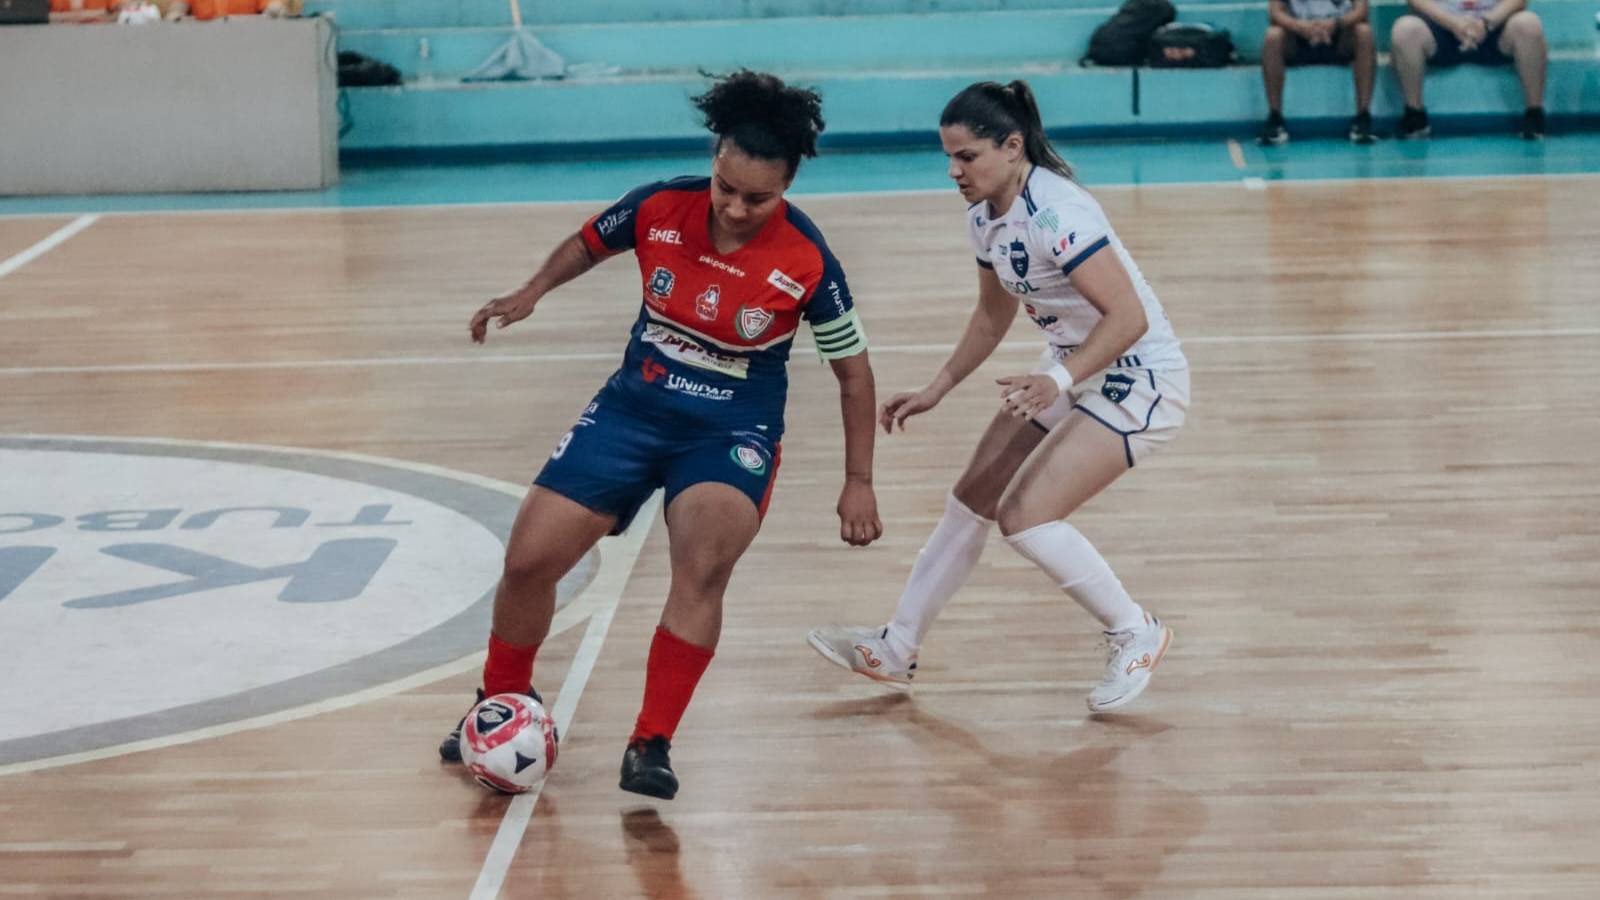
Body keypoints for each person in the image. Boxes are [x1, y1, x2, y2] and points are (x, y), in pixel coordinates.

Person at [438, 70, 883, 800]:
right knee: (527, 560)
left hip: (731, 430)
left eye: (758, 198)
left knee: (702, 569)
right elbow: (588, 243)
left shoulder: (808, 261)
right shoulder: (660, 205)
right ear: (714, 160)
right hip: (630, 411)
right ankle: (500, 704)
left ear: (790, 184)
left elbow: (854, 373)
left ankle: (651, 742)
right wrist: (530, 292)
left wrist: (858, 479)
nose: (736, 208)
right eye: (725, 187)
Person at [808, 80, 1189, 714]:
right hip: (1072, 367)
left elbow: (1128, 319)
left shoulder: (1057, 214)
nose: (954, 171)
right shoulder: (985, 216)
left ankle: (1135, 631)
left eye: (967, 157)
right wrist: (938, 388)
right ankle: (897, 648)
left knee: (1025, 517)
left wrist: (1058, 381)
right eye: (948, 157)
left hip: (1137, 377)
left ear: (1013, 147)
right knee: (971, 497)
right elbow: (992, 317)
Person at [1389, 0, 1547, 139]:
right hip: (1441, 29)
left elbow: (1518, 1)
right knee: (1405, 29)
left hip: (1493, 28)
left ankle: (1534, 113)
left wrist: (1485, 23)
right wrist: (1454, 24)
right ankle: (1415, 115)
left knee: (1529, 24)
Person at [1257, 0, 1377, 144]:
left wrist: (1335, 24)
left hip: (1339, 35)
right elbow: (1275, 13)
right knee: (1273, 35)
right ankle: (1275, 119)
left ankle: (1362, 118)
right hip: (1298, 35)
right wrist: (1299, 26)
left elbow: (1361, 11)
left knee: (1364, 32)